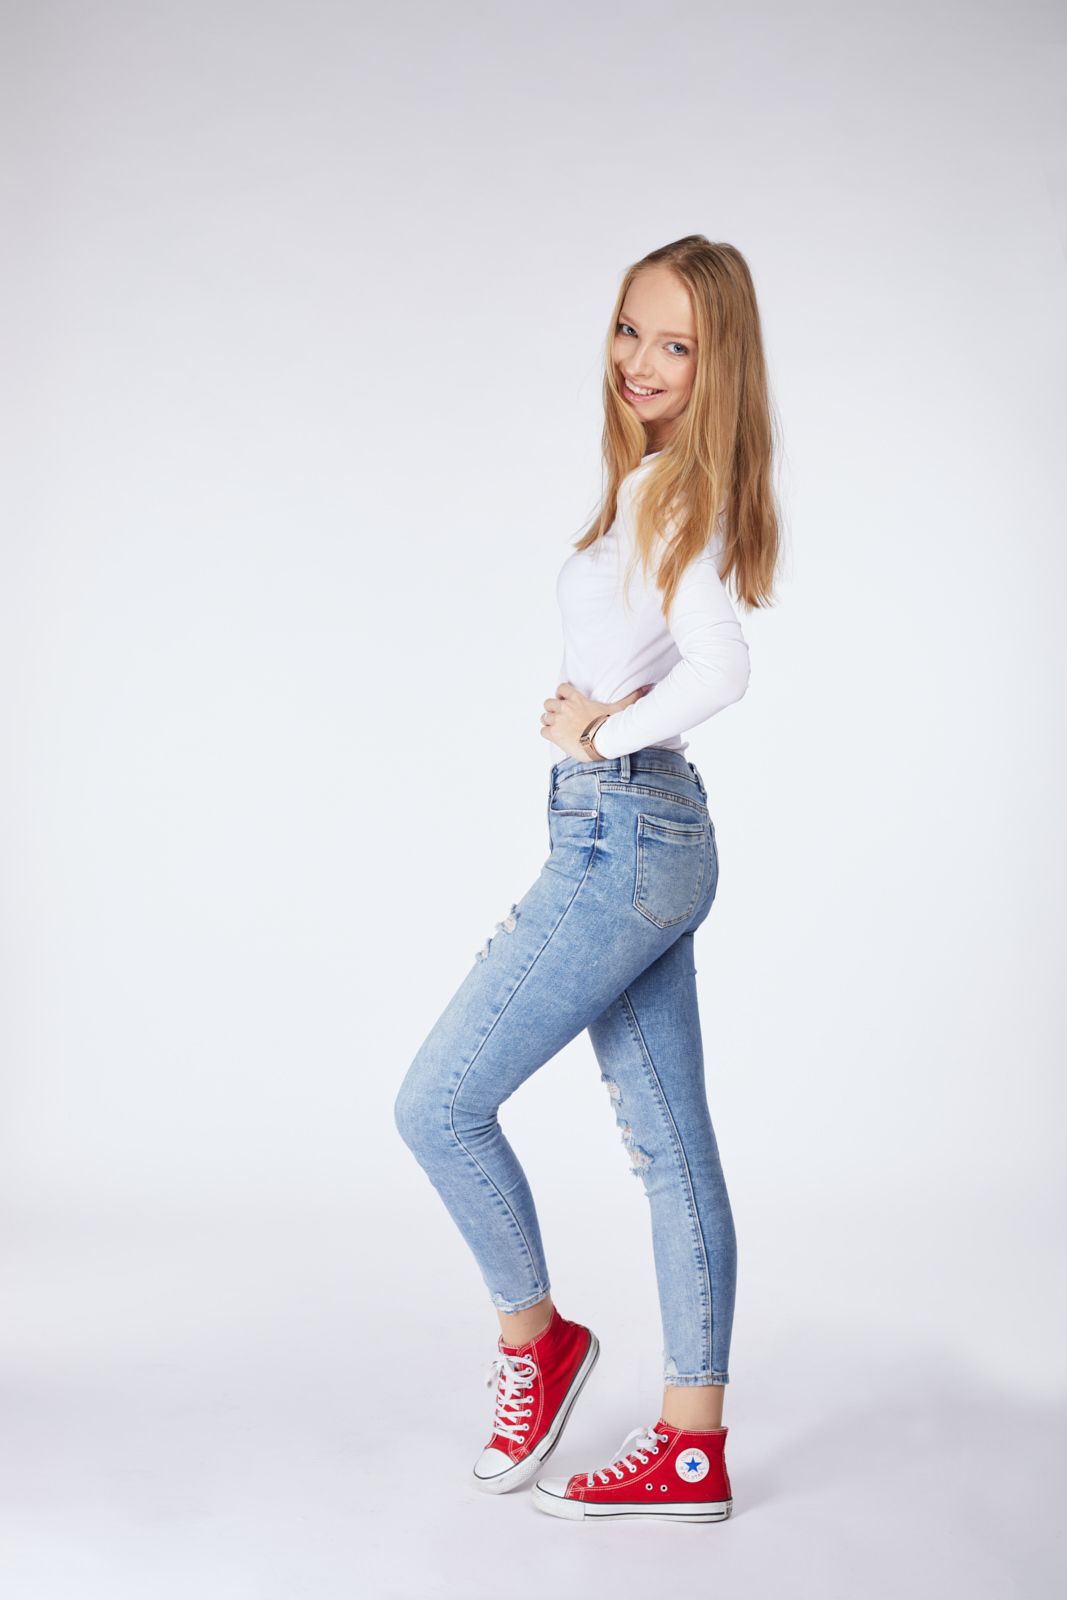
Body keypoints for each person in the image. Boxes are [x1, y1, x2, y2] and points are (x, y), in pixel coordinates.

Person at [394, 235, 781, 1523]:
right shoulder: (664, 488)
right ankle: (691, 1447)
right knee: (672, 1148)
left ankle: (542, 1344)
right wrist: (606, 736)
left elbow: (722, 669)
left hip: (624, 837)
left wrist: (599, 735)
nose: (641, 362)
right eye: (629, 329)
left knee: (439, 1104)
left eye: (677, 345)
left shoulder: (672, 493)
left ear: (719, 364)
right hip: (644, 838)